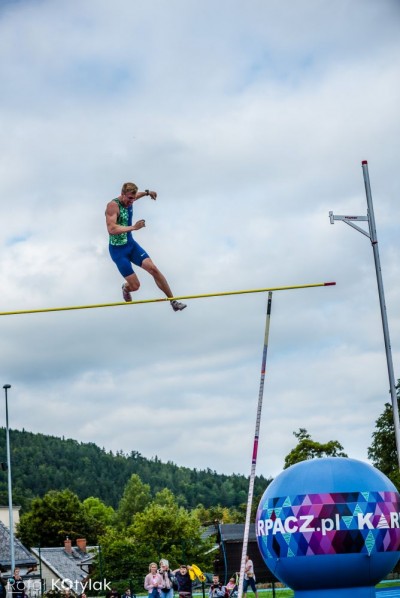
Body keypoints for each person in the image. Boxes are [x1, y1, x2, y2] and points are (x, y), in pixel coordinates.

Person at [106, 182, 187, 312]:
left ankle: (173, 301)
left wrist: (147, 193)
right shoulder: (112, 206)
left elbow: (137, 195)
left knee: (153, 269)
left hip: (131, 246)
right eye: (129, 198)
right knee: (136, 286)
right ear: (122, 195)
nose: (131, 201)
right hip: (118, 252)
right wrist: (133, 227)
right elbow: (111, 228)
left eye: (133, 199)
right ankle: (126, 288)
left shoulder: (131, 199)